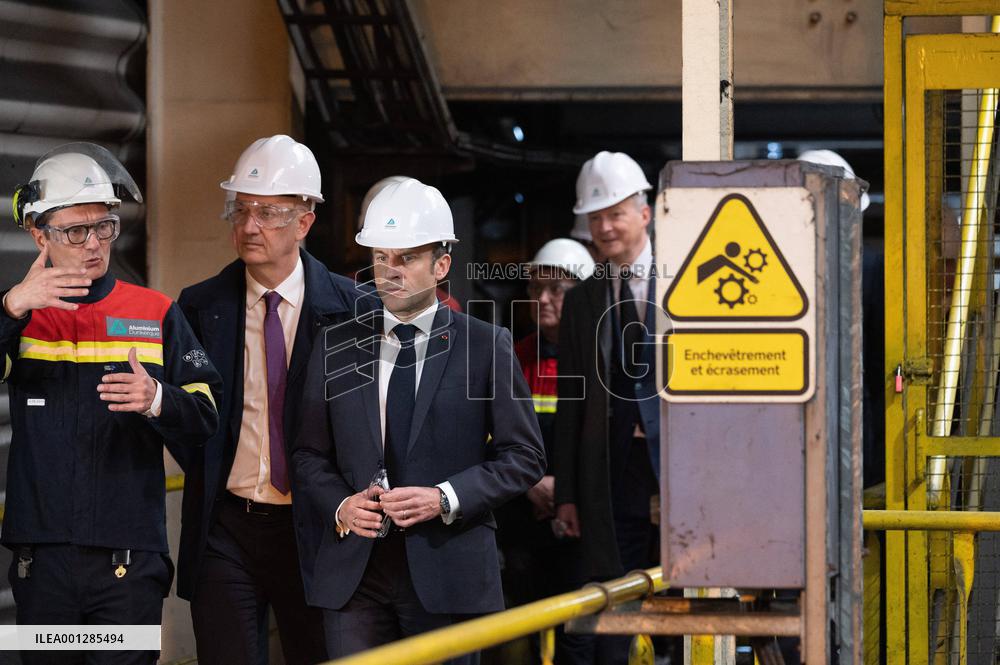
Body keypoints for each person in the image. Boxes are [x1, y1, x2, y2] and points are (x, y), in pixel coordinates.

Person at [293, 176, 546, 664]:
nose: (391, 271)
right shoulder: (336, 344)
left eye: (406, 258)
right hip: (355, 576)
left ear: (441, 265)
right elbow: (307, 452)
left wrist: (443, 498)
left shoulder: (483, 345)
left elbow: (524, 456)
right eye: (381, 258)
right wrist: (342, 504)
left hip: (448, 570)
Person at [0, 143, 222, 664]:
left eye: (105, 226)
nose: (94, 244)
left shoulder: (155, 311)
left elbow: (206, 415)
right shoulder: (20, 316)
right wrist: (11, 308)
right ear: (39, 235)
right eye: (76, 231)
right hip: (42, 562)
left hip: (128, 565)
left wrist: (158, 399)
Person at [176, 135, 362, 665]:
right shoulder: (201, 306)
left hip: (319, 528)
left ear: (305, 222)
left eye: (269, 213)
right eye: (242, 210)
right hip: (227, 528)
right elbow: (192, 422)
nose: (250, 226)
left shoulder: (353, 311)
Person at [553, 151, 661, 665]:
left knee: (692, 598)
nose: (605, 227)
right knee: (612, 600)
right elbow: (572, 402)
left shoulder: (690, 279)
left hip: (678, 468)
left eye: (615, 213)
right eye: (595, 217)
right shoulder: (583, 301)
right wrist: (567, 495)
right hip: (612, 472)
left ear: (644, 212)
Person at [496, 238, 594, 665]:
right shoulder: (513, 357)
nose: (544, 298)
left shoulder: (602, 358)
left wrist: (570, 488)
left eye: (557, 289)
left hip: (585, 520)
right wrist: (531, 483)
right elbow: (492, 436)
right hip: (525, 515)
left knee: (582, 630)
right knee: (524, 626)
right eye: (537, 288)